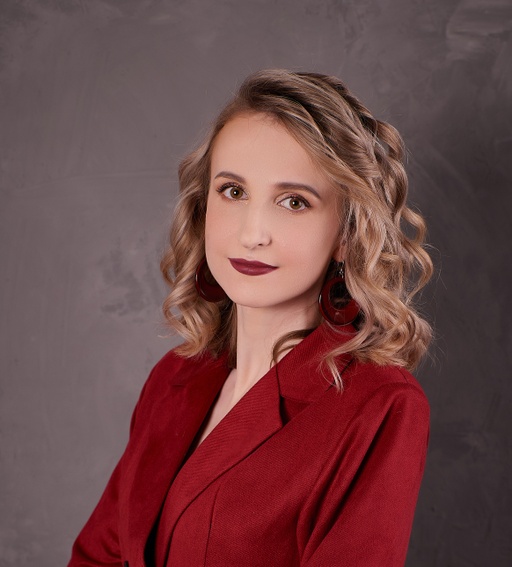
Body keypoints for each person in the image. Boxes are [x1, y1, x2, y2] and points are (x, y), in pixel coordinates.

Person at [68, 69, 433, 567]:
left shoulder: (379, 405)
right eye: (233, 192)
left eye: (294, 202)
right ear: (203, 207)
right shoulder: (174, 378)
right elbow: (97, 555)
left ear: (347, 234)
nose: (251, 233)